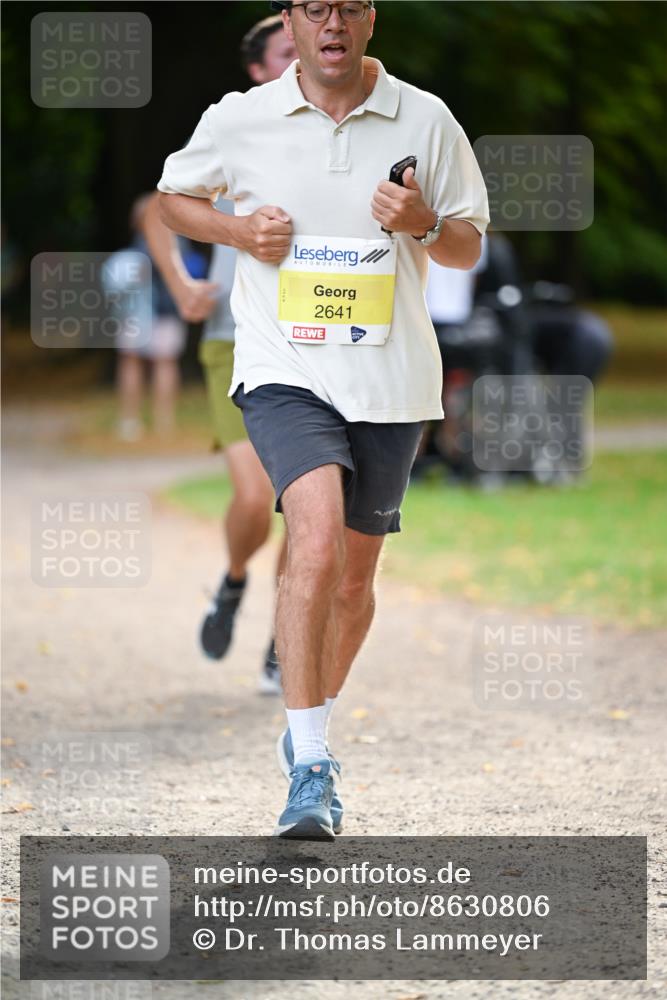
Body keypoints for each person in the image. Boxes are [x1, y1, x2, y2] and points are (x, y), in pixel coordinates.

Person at [157, 0, 489, 839]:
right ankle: (310, 769)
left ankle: (307, 722)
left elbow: (466, 245)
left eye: (346, 5)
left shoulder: (427, 116)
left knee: (353, 578)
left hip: (390, 380)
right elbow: (172, 201)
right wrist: (237, 230)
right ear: (293, 23)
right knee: (311, 538)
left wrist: (423, 224)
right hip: (282, 369)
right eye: (314, 7)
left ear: (369, 19)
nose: (330, 20)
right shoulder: (242, 118)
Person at [141, 16, 297, 693]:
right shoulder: (238, 131)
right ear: (259, 69)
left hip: (313, 344)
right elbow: (157, 207)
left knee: (310, 505)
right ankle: (234, 581)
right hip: (234, 341)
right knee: (256, 496)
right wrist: (181, 283)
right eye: (287, 50)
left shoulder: (350, 134)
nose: (309, 54)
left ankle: (282, 639)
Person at [108, 194, 203, 441]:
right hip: (164, 311)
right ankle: (162, 421)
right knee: (163, 363)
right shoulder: (179, 244)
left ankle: (132, 420)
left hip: (140, 314)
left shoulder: (136, 251)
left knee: (136, 363)